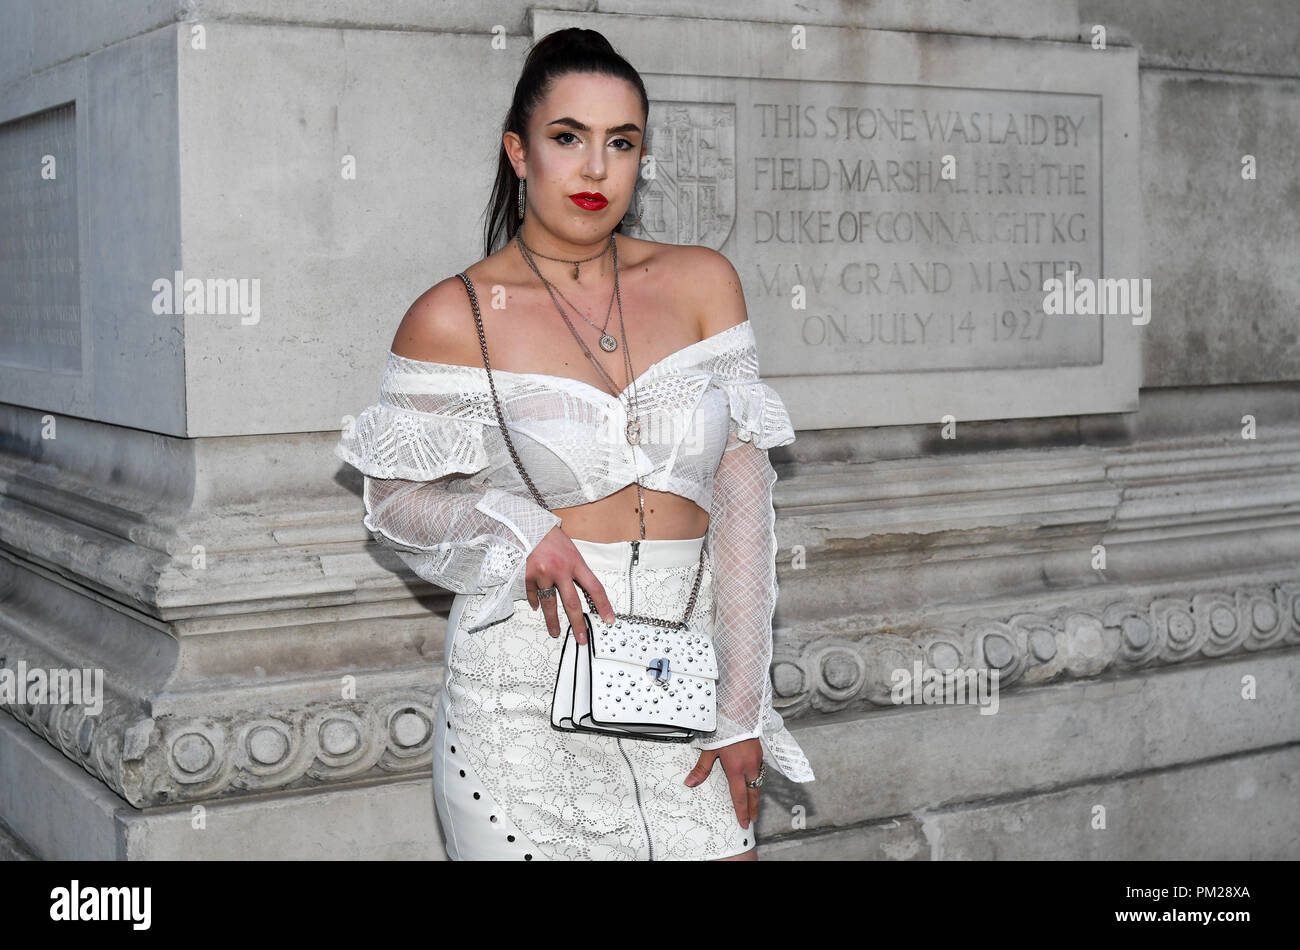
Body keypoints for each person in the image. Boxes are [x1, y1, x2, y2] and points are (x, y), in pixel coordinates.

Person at [336, 27, 813, 861]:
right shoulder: (454, 315)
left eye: (620, 143)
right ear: (519, 152)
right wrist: (517, 522)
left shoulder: (704, 284)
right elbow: (393, 503)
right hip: (521, 697)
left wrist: (741, 708)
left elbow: (743, 498)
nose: (596, 169)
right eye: (569, 138)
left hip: (683, 692)